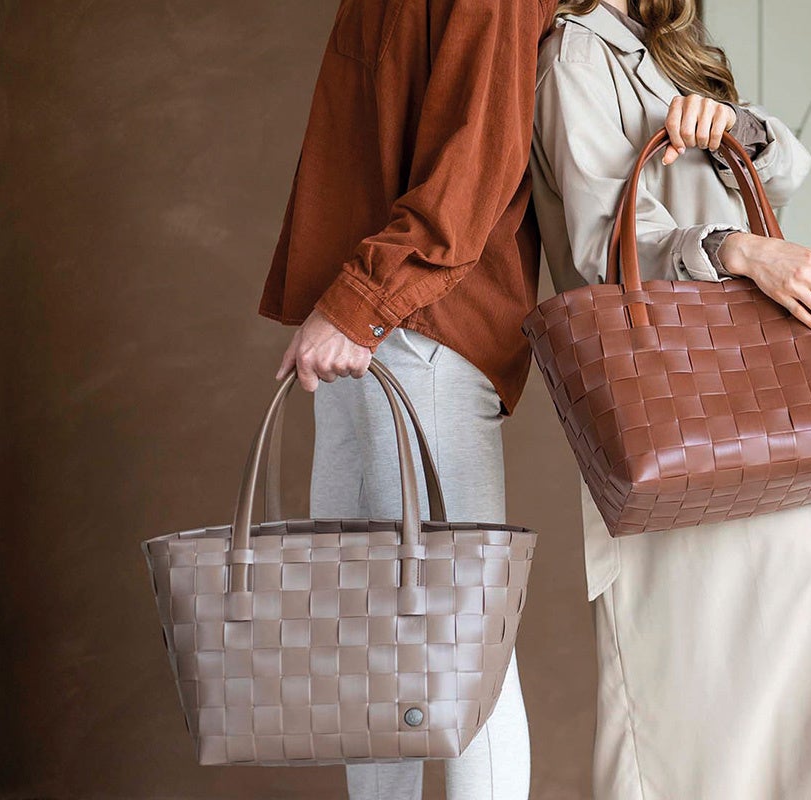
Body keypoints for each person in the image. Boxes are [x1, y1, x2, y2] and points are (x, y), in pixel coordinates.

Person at [529, 1, 811, 798]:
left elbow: (782, 167)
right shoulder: (576, 52)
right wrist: (739, 250)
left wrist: (733, 128)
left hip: (743, 403)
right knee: (715, 712)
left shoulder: (668, 46)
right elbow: (599, 244)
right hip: (676, 403)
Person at [257, 1, 555, 798]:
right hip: (372, 322)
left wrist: (360, 304)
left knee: (463, 641)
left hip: (419, 326)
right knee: (369, 636)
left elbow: (474, 162)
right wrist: (349, 305)